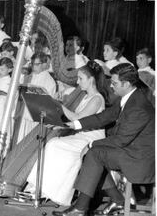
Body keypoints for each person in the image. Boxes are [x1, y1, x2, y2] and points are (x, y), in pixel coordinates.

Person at [53, 63, 155, 216]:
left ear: (126, 84)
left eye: (114, 83)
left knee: (94, 153)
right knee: (96, 154)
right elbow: (102, 117)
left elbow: (121, 140)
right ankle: (115, 200)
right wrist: (73, 124)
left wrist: (91, 143)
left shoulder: (138, 106)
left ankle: (81, 208)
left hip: (139, 158)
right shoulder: (129, 97)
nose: (111, 87)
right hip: (130, 150)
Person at [26, 61, 108, 206]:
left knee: (55, 145)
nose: (77, 82)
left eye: (80, 78)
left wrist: (61, 106)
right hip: (81, 135)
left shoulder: (97, 99)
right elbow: (76, 121)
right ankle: (40, 188)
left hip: (91, 139)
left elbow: (79, 118)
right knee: (52, 144)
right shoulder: (85, 96)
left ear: (91, 80)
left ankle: (53, 192)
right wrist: (59, 121)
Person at [16, 52, 57, 143]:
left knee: (28, 141)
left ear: (44, 64)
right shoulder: (28, 77)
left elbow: (49, 102)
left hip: (35, 116)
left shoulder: (50, 81)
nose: (33, 67)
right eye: (32, 64)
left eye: (36, 64)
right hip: (23, 113)